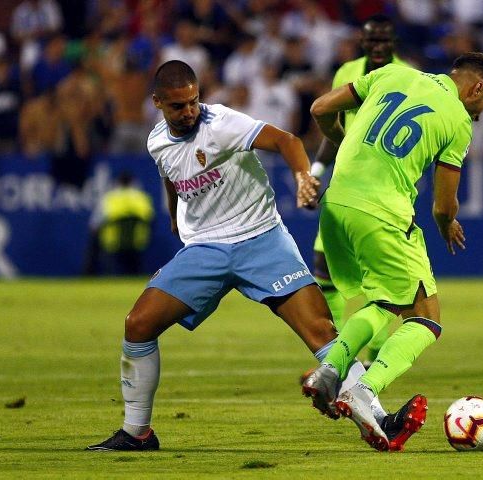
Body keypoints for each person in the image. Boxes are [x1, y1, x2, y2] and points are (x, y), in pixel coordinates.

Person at [86, 60, 404, 451]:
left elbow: (286, 140)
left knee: (322, 332)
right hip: (205, 248)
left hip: (262, 240)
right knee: (137, 325)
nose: (189, 111)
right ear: (157, 103)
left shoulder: (220, 122)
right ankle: (137, 433)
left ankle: (380, 418)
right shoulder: (156, 142)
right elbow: (170, 176)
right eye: (178, 106)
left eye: (193, 101)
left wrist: (303, 176)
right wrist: (173, 214)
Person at [304, 52, 483, 451]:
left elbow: (320, 107)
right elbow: (443, 206)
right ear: (478, 87)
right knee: (427, 317)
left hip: (336, 204)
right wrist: (448, 226)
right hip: (382, 212)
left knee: (384, 299)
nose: (480, 114)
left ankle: (331, 369)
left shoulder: (392, 74)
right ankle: (364, 390)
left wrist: (340, 137)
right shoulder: (458, 120)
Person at [309, 14, 408, 367]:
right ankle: (335, 353)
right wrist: (316, 171)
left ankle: (375, 358)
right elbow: (334, 125)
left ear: (394, 43)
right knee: (323, 268)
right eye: (372, 40)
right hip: (346, 181)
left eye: (385, 40)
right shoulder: (347, 72)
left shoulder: (407, 77)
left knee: (381, 282)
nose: (379, 47)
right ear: (363, 42)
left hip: (384, 187)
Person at [86, 171, 155, 276]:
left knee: (94, 241)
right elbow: (151, 220)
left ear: (117, 182)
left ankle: (89, 273)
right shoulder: (141, 197)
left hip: (113, 242)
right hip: (137, 242)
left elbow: (94, 225)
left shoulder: (110, 198)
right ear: (133, 182)